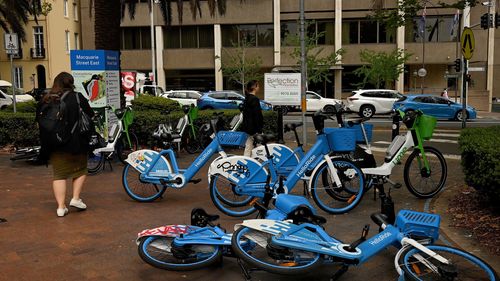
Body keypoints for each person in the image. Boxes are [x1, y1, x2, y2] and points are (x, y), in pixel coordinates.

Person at [37, 72, 94, 217]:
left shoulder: (47, 98)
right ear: (71, 82)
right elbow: (90, 114)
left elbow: (40, 119)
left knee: (59, 175)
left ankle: (61, 208)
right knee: (81, 170)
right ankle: (75, 198)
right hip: (76, 143)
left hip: (54, 143)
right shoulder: (77, 97)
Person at [241, 80, 264, 157]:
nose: (259, 87)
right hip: (255, 129)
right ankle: (262, 164)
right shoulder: (254, 99)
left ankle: (246, 162)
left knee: (248, 146)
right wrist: (259, 129)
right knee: (260, 147)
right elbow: (257, 115)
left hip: (248, 128)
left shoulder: (246, 99)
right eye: (258, 86)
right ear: (254, 87)